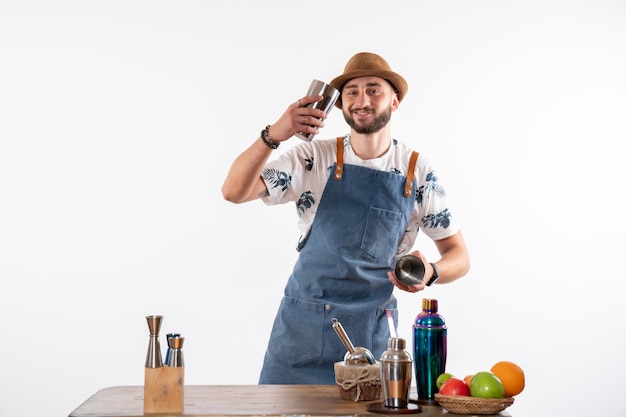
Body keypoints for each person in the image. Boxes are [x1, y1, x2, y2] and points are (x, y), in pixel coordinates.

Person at [221, 52, 470, 385]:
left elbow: (460, 256)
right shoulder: (312, 157)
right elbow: (234, 191)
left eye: (373, 90)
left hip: (371, 341)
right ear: (340, 104)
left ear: (395, 101)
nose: (361, 100)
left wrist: (432, 271)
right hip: (300, 337)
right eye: (351, 92)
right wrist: (274, 134)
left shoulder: (417, 171)